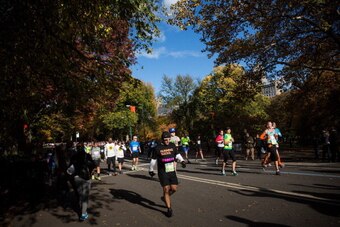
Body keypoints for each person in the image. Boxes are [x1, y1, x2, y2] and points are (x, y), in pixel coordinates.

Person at [155, 131, 186, 217]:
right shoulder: (158, 148)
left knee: (174, 188)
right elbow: (153, 159)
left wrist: (182, 161)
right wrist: (150, 170)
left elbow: (177, 154)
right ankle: (169, 209)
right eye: (165, 140)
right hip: (162, 171)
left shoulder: (172, 145)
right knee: (166, 189)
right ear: (162, 139)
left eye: (168, 139)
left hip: (171, 170)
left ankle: (164, 197)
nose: (167, 141)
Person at [68, 142, 95, 221]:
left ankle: (82, 209)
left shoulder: (74, 157)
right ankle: (83, 213)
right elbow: (93, 165)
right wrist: (90, 170)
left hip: (77, 177)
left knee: (80, 194)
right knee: (85, 196)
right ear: (84, 148)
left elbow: (69, 169)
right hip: (86, 177)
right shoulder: (88, 155)